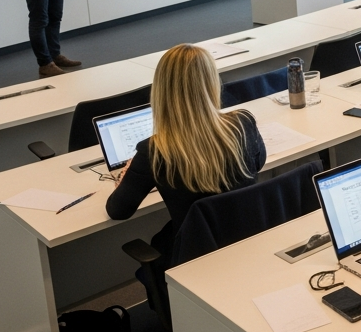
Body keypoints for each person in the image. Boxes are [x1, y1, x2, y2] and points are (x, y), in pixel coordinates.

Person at [106, 44, 266, 276]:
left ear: (161, 90)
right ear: (211, 82)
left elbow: (118, 210)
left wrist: (127, 175)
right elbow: (257, 164)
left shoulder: (154, 150)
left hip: (195, 257)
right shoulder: (243, 123)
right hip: (249, 242)